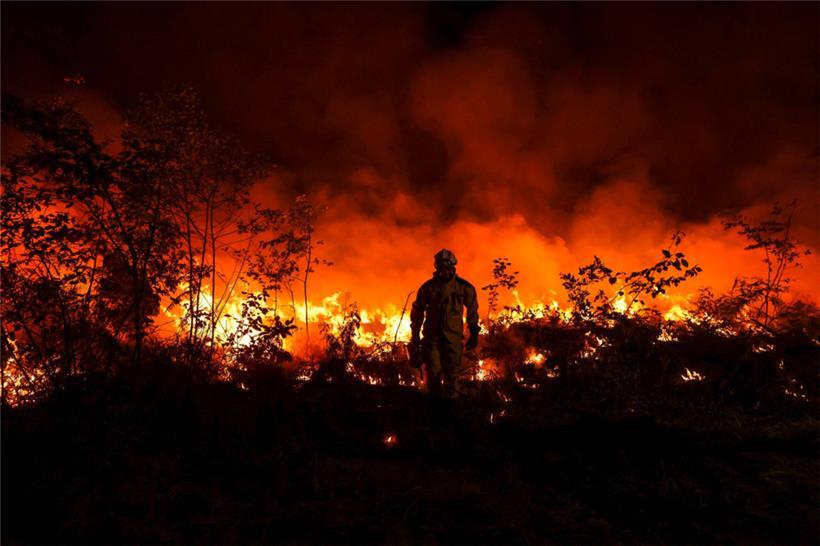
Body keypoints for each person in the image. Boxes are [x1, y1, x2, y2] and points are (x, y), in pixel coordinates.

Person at [409, 249, 479, 399]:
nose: (443, 271)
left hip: (453, 338)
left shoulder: (464, 287)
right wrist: (415, 335)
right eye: (440, 267)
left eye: (446, 267)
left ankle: (451, 411)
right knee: (433, 373)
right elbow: (418, 312)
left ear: (453, 267)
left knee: (452, 376)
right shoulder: (428, 288)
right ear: (436, 267)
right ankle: (435, 409)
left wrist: (474, 332)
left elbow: (472, 311)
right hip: (432, 337)